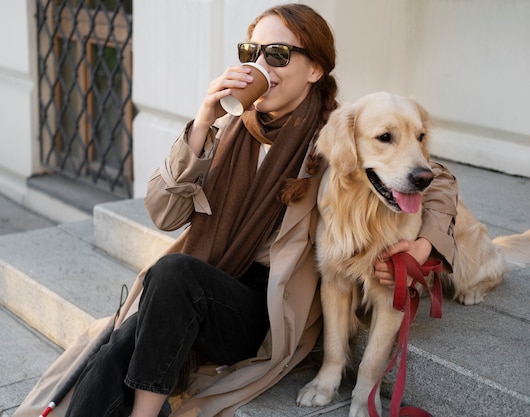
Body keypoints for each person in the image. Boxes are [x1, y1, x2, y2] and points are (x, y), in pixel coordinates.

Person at [62, 4, 459, 417]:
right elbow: (163, 214)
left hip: (269, 304)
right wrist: (202, 124)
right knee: (118, 345)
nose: (260, 65)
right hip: (215, 275)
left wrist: (425, 244)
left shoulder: (333, 134)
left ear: (315, 70)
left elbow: (438, 178)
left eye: (278, 55)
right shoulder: (232, 128)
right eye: (252, 52)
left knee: (172, 280)